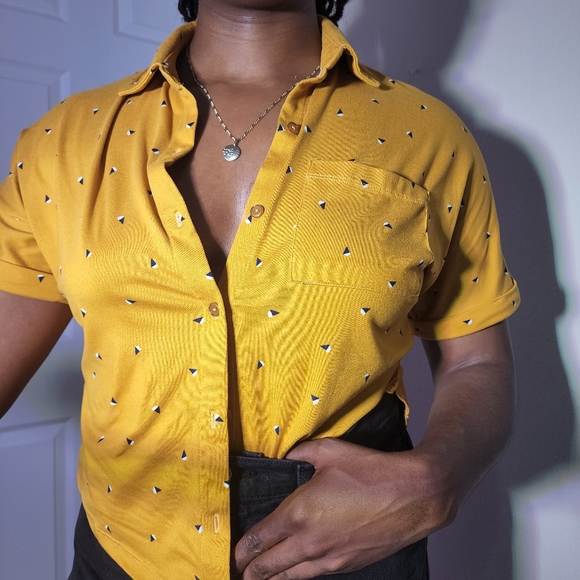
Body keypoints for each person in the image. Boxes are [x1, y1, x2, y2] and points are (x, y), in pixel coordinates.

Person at [0, 0, 520, 578]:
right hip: (121, 550)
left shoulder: (429, 135)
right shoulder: (61, 141)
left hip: (353, 549)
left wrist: (437, 478)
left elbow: (477, 359)